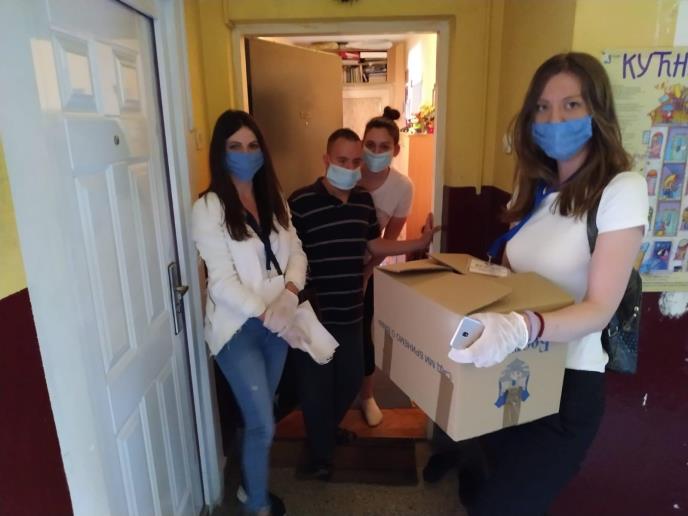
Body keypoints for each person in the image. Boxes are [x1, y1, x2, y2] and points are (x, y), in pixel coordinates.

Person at [448, 52, 648, 515]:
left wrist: (522, 326)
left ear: (598, 112)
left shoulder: (621, 189)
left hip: (567, 384)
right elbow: (519, 280)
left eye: (571, 105)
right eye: (542, 107)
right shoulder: (538, 192)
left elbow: (598, 308)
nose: (554, 119)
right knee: (485, 493)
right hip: (514, 374)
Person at [288, 128, 439, 479]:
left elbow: (374, 245)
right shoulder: (300, 202)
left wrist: (418, 243)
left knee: (351, 378)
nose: (349, 167)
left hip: (351, 310)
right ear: (326, 159)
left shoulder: (362, 201)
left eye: (355, 161)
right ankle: (320, 457)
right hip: (312, 315)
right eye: (342, 160)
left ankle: (325, 432)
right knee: (316, 388)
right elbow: (287, 256)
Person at [191, 110, 308, 516]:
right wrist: (267, 313)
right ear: (221, 153)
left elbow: (296, 252)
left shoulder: (273, 198)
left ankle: (247, 484)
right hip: (237, 328)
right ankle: (256, 504)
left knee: (260, 413)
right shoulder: (208, 207)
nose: (246, 153)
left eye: (253, 145)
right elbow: (221, 283)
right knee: (262, 423)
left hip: (279, 322)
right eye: (235, 146)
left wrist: (290, 294)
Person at [357, 106, 414, 427]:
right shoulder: (346, 172)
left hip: (367, 266)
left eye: (383, 147)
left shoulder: (402, 187)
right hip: (329, 266)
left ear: (396, 150)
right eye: (370, 145)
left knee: (363, 332)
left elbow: (388, 241)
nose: (375, 152)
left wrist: (366, 274)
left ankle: (367, 395)